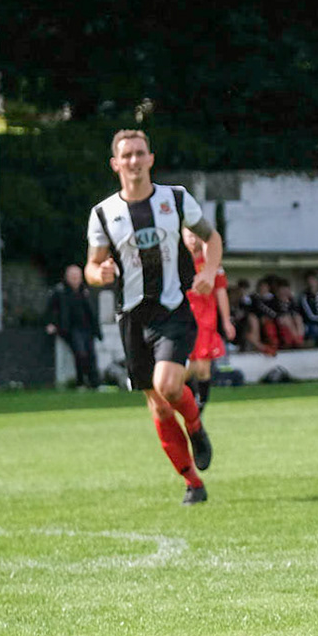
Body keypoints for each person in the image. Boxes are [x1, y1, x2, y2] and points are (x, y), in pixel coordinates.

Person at [84, 129, 219, 504]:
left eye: (139, 153)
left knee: (170, 386)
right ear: (115, 164)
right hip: (131, 318)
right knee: (158, 405)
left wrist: (208, 271)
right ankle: (193, 482)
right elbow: (92, 267)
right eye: (126, 155)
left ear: (150, 158)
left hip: (173, 309)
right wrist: (101, 274)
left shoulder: (174, 199)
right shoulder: (103, 213)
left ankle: (195, 426)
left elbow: (211, 237)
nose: (133, 161)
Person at [182, 228, 234, 408]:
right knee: (185, 370)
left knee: (203, 369)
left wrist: (226, 320)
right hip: (182, 321)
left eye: (194, 235)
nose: (192, 240)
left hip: (205, 321)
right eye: (188, 236)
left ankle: (200, 405)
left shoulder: (211, 263)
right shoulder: (178, 261)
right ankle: (191, 404)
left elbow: (221, 292)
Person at [44, 263, 102, 389]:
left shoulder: (85, 291)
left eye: (77, 277)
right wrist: (51, 324)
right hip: (70, 328)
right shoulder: (60, 291)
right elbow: (50, 310)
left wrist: (97, 330)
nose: (76, 280)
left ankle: (95, 383)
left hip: (87, 328)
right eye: (73, 277)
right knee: (80, 353)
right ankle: (80, 382)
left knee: (91, 355)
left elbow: (91, 312)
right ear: (67, 277)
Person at [298, 272, 318, 346]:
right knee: (315, 329)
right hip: (310, 322)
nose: (311, 283)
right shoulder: (305, 296)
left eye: (313, 280)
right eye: (309, 281)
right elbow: (309, 314)